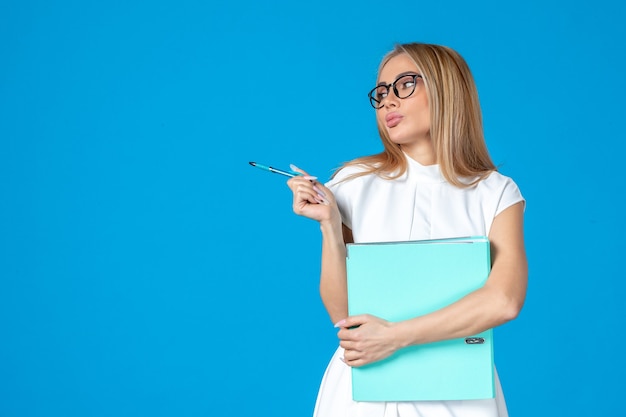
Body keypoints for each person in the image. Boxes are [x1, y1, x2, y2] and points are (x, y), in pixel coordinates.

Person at [287, 42, 527, 417]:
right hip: (361, 391)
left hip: (461, 393)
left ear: (446, 88)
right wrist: (331, 227)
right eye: (381, 92)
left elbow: (503, 300)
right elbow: (343, 315)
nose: (387, 102)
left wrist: (394, 337)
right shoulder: (352, 183)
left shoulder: (495, 193)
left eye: (404, 85)